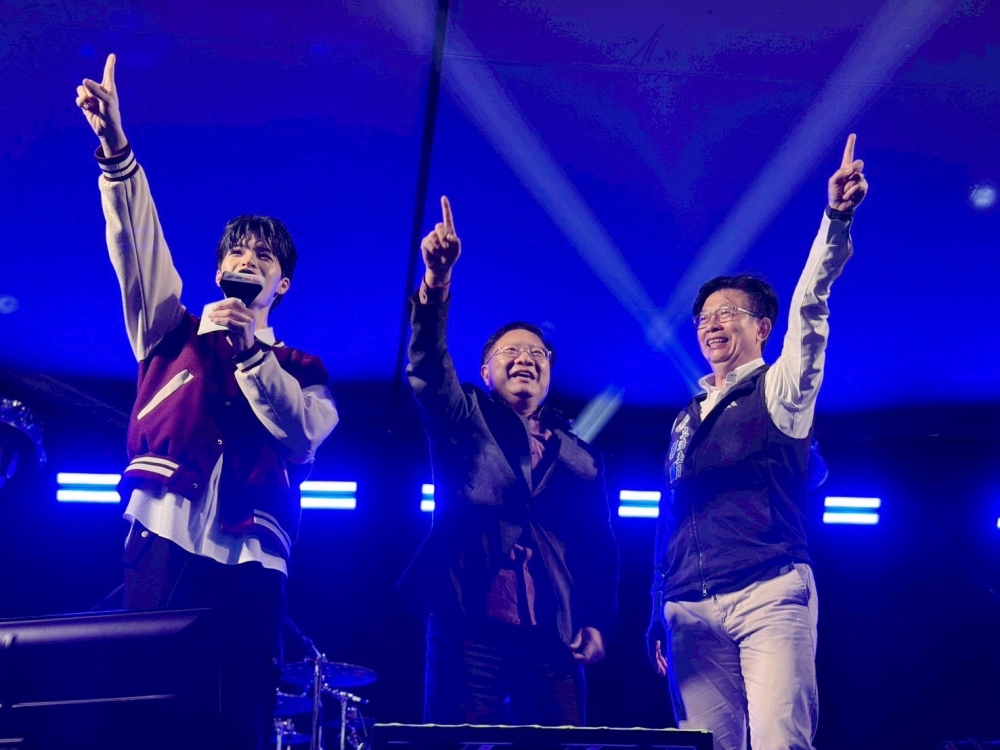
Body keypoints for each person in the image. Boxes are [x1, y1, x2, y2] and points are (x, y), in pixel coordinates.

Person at [76, 54, 339, 750]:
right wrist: (116, 152)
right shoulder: (170, 330)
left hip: (255, 554)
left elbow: (304, 435)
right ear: (220, 268)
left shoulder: (302, 368)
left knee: (242, 718)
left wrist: (252, 353)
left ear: (282, 285)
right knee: (149, 708)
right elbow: (137, 251)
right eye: (239, 253)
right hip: (164, 529)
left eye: (265, 257)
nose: (249, 260)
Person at [646, 135, 869, 750]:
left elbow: (810, 309)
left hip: (768, 592)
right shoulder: (685, 418)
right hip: (689, 609)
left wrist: (835, 222)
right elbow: (670, 518)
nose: (711, 324)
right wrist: (657, 607)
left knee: (778, 742)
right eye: (703, 318)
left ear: (761, 327)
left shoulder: (780, 390)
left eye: (728, 313)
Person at [401, 196, 619, 725]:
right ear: (485, 371)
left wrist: (597, 619)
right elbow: (429, 365)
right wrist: (436, 281)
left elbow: (598, 545)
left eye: (537, 353)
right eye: (510, 352)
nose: (525, 358)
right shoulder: (465, 415)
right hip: (469, 617)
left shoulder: (580, 457)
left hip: (553, 631)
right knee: (458, 739)